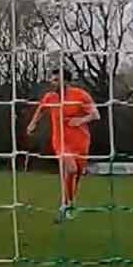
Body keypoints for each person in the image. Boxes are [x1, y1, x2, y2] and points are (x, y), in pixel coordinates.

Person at [26, 70, 98, 222]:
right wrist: (32, 124)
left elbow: (95, 115)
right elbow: (40, 110)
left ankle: (69, 203)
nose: (52, 83)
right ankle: (67, 204)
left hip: (81, 141)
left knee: (77, 174)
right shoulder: (50, 97)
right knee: (71, 169)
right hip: (61, 141)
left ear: (66, 81)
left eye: (56, 80)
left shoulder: (81, 95)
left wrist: (80, 120)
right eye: (52, 80)